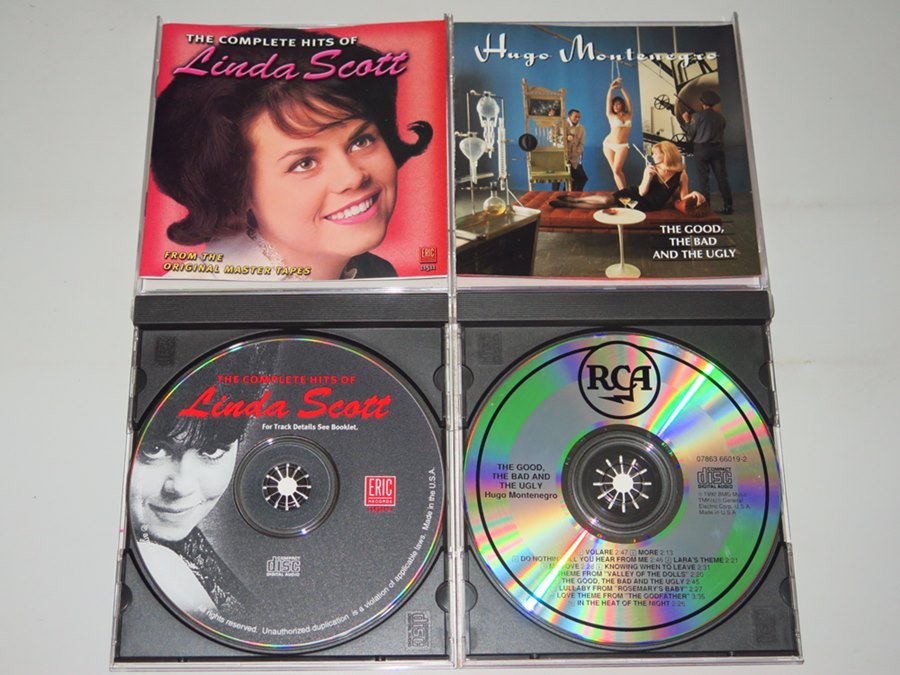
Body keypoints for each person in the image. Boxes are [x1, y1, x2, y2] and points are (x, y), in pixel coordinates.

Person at [150, 29, 434, 280]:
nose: (352, 177)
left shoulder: (377, 273)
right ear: (236, 189)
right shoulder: (201, 301)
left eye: (361, 141)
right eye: (304, 163)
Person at [130, 414, 250, 616]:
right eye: (154, 449)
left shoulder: (189, 547)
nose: (181, 487)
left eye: (210, 450)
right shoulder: (157, 562)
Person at [552, 141, 706, 212]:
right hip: (635, 195)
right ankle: (572, 201)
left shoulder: (681, 174)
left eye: (655, 153)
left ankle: (571, 203)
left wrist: (694, 193)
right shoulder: (651, 169)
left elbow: (683, 196)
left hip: (645, 206)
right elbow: (642, 192)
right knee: (607, 201)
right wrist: (647, 176)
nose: (652, 156)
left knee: (607, 203)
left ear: (665, 154)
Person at [680, 90, 733, 214]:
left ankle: (706, 207)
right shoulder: (720, 117)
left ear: (702, 103)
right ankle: (728, 206)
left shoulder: (697, 116)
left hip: (701, 150)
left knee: (703, 180)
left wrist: (687, 121)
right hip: (718, 149)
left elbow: (690, 135)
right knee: (722, 178)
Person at [602, 78, 633, 190]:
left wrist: (621, 87)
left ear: (622, 105)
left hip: (622, 146)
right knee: (615, 171)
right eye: (614, 105)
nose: (615, 106)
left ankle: (625, 192)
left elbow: (628, 100)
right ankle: (623, 193)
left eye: (618, 104)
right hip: (608, 144)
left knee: (617, 170)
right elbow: (608, 99)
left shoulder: (629, 114)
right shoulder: (611, 115)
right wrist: (611, 89)